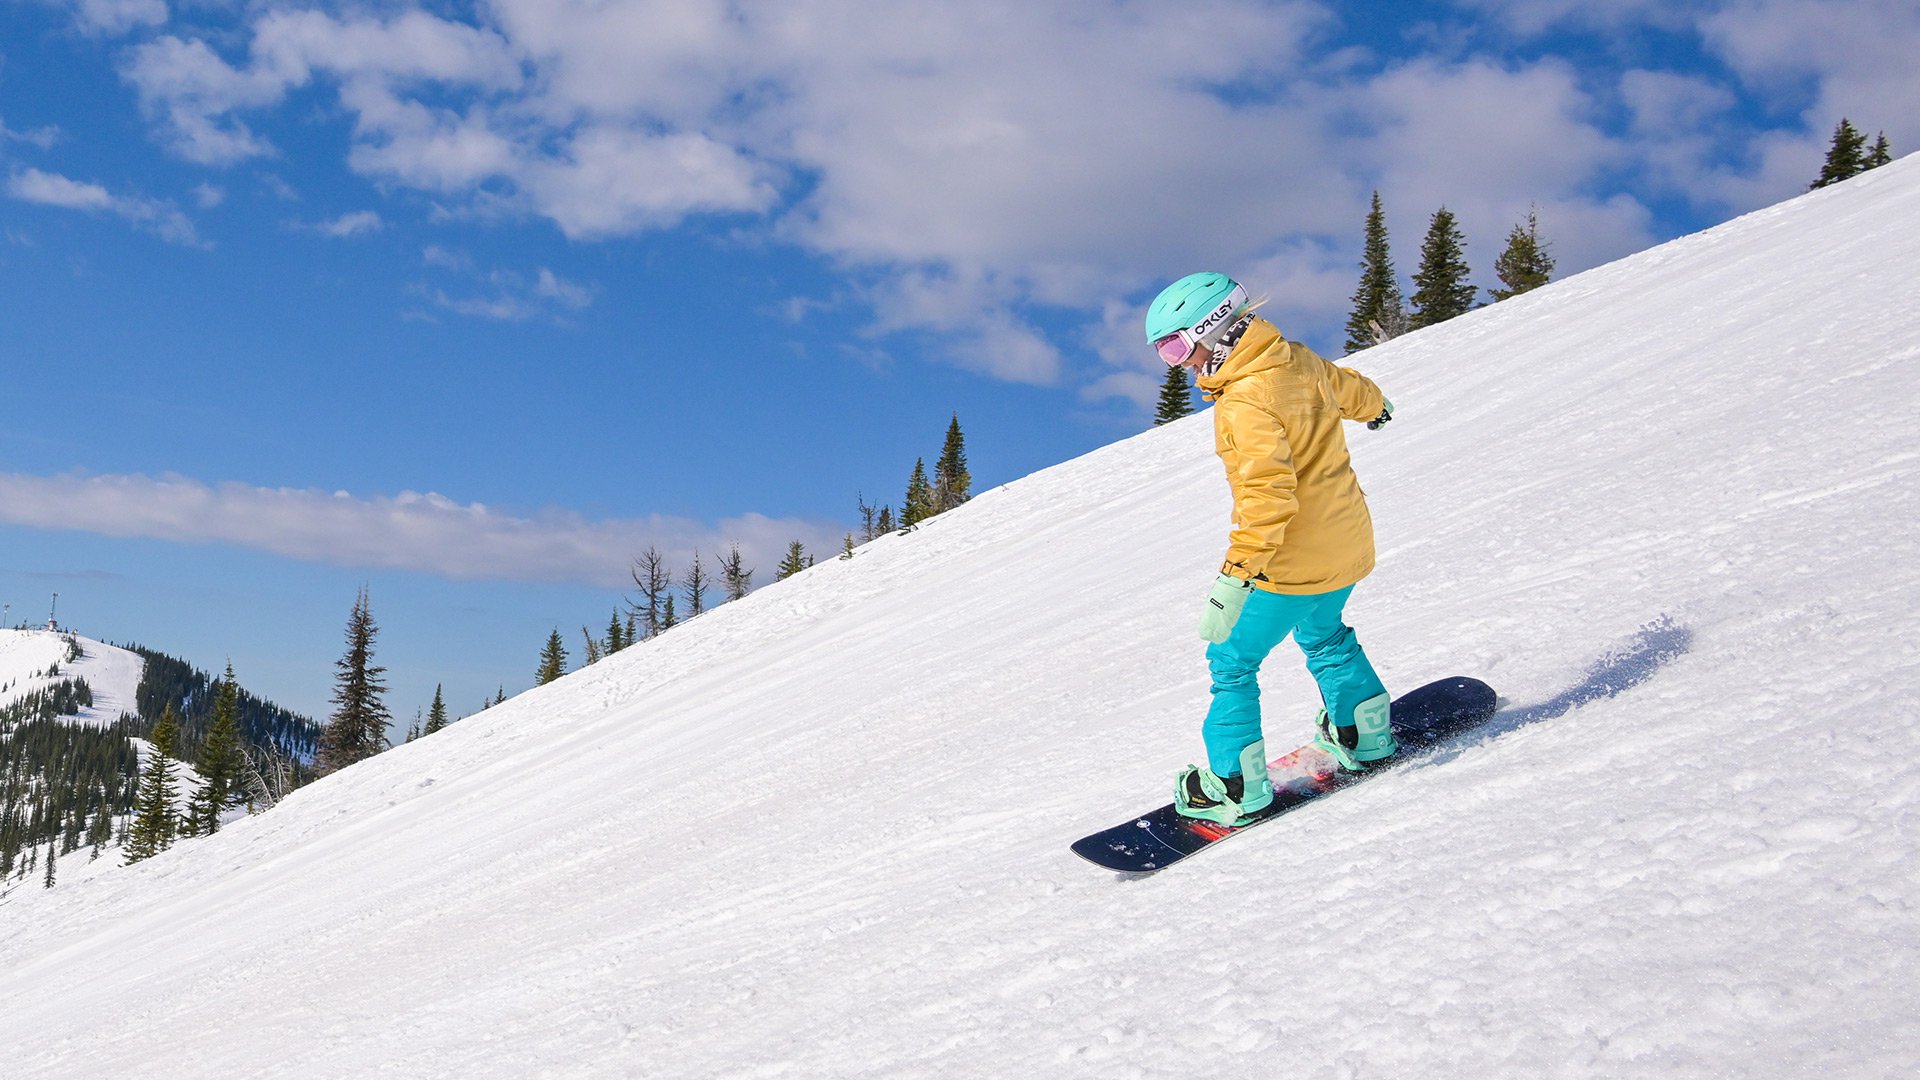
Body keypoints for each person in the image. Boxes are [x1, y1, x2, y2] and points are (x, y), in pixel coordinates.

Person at [1145, 272, 1396, 826]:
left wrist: (1234, 578)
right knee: (1326, 635)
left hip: (1289, 563)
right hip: (1348, 543)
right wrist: (1375, 407)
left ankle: (1237, 787)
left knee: (1232, 660)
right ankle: (1365, 733)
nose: (1178, 362)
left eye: (1176, 346)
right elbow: (1350, 387)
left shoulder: (1243, 402)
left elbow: (1266, 499)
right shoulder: (1296, 360)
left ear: (1211, 328)